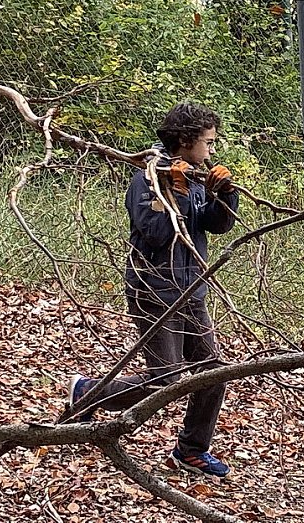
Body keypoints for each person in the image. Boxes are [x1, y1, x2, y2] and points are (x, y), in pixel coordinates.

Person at [67, 102, 239, 478]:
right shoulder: (148, 179)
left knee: (214, 372)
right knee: (166, 379)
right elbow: (158, 233)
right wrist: (174, 191)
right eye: (207, 142)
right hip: (154, 288)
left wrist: (223, 194)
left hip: (191, 288)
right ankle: (89, 393)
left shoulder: (193, 175)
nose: (211, 150)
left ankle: (191, 450)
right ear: (184, 139)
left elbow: (217, 225)